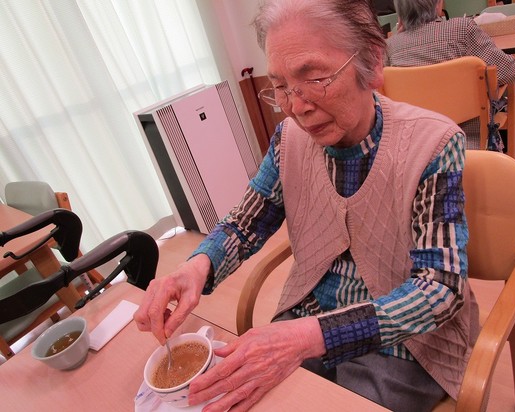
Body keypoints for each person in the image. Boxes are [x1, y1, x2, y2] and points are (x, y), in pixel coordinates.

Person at [134, 1, 479, 411]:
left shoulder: (433, 144)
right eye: (280, 86)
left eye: (314, 78)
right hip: (310, 315)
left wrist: (312, 335)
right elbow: (244, 225)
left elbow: (440, 288)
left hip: (405, 342)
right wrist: (196, 268)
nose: (297, 107)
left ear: (371, 60)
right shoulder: (288, 141)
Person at [385, 0, 515, 150]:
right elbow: (509, 71)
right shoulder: (462, 29)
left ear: (399, 12)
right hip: (468, 143)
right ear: (438, 4)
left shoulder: (390, 47)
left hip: (416, 147)